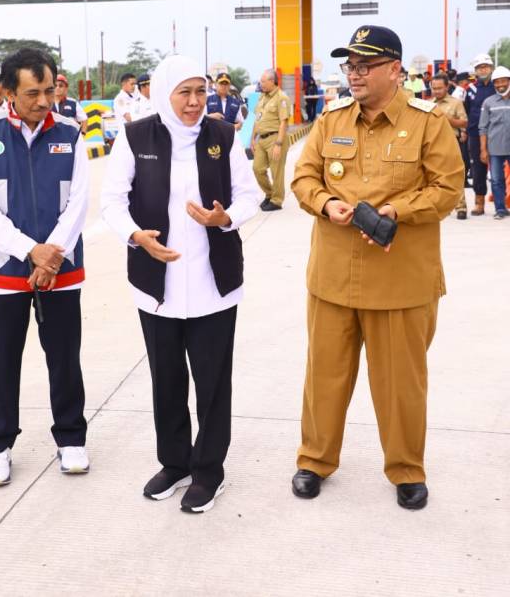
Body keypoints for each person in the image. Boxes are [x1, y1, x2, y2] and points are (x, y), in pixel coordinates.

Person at [290, 25, 464, 511]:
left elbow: (448, 188)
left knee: (401, 384)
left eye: (365, 65)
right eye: (350, 66)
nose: (355, 74)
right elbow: (304, 176)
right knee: (324, 375)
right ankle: (314, 460)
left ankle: (407, 469)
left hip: (400, 281)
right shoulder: (331, 121)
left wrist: (396, 211)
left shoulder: (429, 124)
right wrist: (326, 203)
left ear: (394, 70)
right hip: (333, 276)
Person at [101, 55, 260, 513]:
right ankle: (175, 463)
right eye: (184, 92)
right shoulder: (136, 137)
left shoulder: (222, 136)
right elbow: (111, 200)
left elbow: (249, 194)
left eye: (200, 91)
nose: (194, 102)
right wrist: (135, 236)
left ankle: (209, 470)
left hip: (214, 282)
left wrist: (225, 217)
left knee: (212, 382)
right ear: (164, 92)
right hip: (157, 282)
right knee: (166, 379)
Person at [0, 49, 90, 488]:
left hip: (60, 266)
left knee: (64, 356)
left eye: (49, 90)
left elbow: (78, 202)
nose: (43, 100)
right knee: (1, 361)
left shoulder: (71, 133)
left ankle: (71, 438)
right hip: (1, 269)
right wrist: (30, 251)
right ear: (9, 93)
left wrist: (52, 253)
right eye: (32, 92)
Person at [251, 70, 292, 212]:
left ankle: (276, 200)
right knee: (257, 169)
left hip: (275, 139)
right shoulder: (262, 97)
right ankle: (269, 194)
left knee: (277, 172)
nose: (260, 84)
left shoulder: (281, 98)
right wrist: (252, 139)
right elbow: (257, 119)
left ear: (272, 81)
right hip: (261, 140)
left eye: (263, 81)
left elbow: (283, 123)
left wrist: (279, 144)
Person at [430, 73, 468, 219]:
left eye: (439, 88)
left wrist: (447, 119)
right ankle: (440, 207)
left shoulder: (456, 103)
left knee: (455, 175)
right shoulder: (428, 103)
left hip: (452, 142)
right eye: (434, 88)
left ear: (447, 87)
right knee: (435, 177)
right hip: (432, 144)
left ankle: (461, 207)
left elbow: (464, 122)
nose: (436, 91)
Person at [465, 53, 496, 216]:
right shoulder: (470, 90)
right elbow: (467, 111)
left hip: (497, 133)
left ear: (491, 68)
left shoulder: (498, 87)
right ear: (475, 71)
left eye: (486, 66)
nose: (483, 69)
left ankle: (501, 203)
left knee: (501, 168)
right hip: (476, 134)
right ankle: (479, 202)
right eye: (480, 67)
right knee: (478, 169)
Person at [479, 65, 510, 220]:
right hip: (495, 149)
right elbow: (483, 128)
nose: (500, 85)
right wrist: (483, 150)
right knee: (497, 180)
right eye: (496, 82)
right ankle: (500, 209)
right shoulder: (488, 102)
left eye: (503, 81)